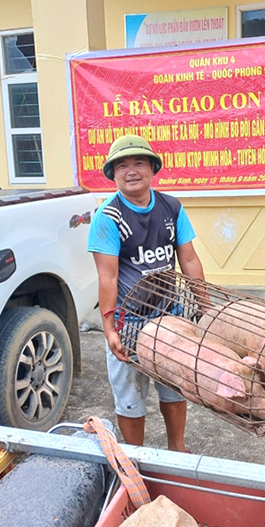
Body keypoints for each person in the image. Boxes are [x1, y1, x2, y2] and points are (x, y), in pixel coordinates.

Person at [87, 134, 206, 451]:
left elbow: (189, 259)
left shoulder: (172, 207)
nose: (131, 171)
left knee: (174, 387)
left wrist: (206, 309)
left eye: (139, 162)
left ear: (153, 168)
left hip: (171, 317)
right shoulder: (108, 217)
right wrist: (110, 327)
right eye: (121, 165)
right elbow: (107, 277)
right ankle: (135, 456)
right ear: (112, 174)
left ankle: (177, 448)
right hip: (130, 323)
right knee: (130, 394)